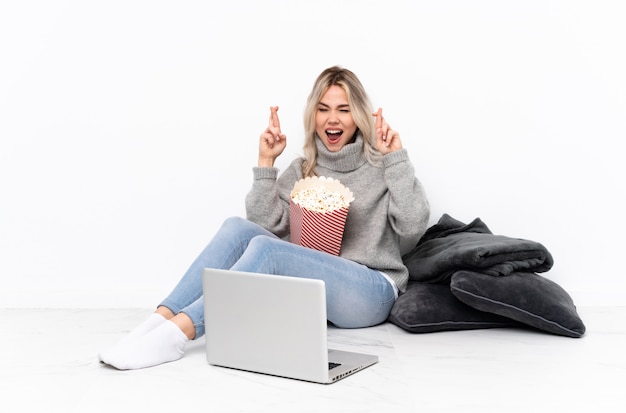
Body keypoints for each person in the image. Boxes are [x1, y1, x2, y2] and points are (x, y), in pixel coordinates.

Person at [98, 66, 430, 370]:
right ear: (312, 115)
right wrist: (266, 164)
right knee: (236, 228)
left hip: (372, 291)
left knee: (268, 251)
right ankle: (157, 322)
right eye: (323, 109)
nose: (333, 119)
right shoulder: (303, 169)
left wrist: (396, 159)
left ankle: (178, 335)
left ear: (359, 116)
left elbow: (413, 227)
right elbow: (265, 226)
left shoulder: (383, 165)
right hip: (317, 295)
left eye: (344, 110)